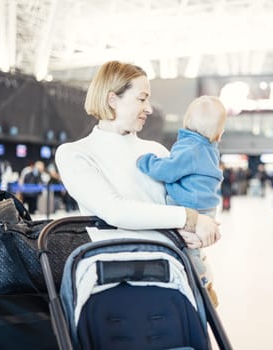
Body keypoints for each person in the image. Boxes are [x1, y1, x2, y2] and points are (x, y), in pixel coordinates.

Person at [54, 61, 220, 301]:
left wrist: (202, 227)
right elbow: (115, 211)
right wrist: (190, 218)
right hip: (117, 282)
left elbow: (183, 202)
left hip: (176, 274)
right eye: (142, 99)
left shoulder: (158, 152)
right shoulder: (75, 154)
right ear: (113, 100)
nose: (149, 108)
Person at [137, 95, 227, 303]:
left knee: (187, 246)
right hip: (207, 205)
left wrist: (146, 161)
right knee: (194, 245)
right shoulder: (209, 148)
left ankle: (201, 280)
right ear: (218, 132)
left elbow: (167, 170)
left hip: (189, 204)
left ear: (187, 121)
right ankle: (203, 276)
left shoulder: (189, 148)